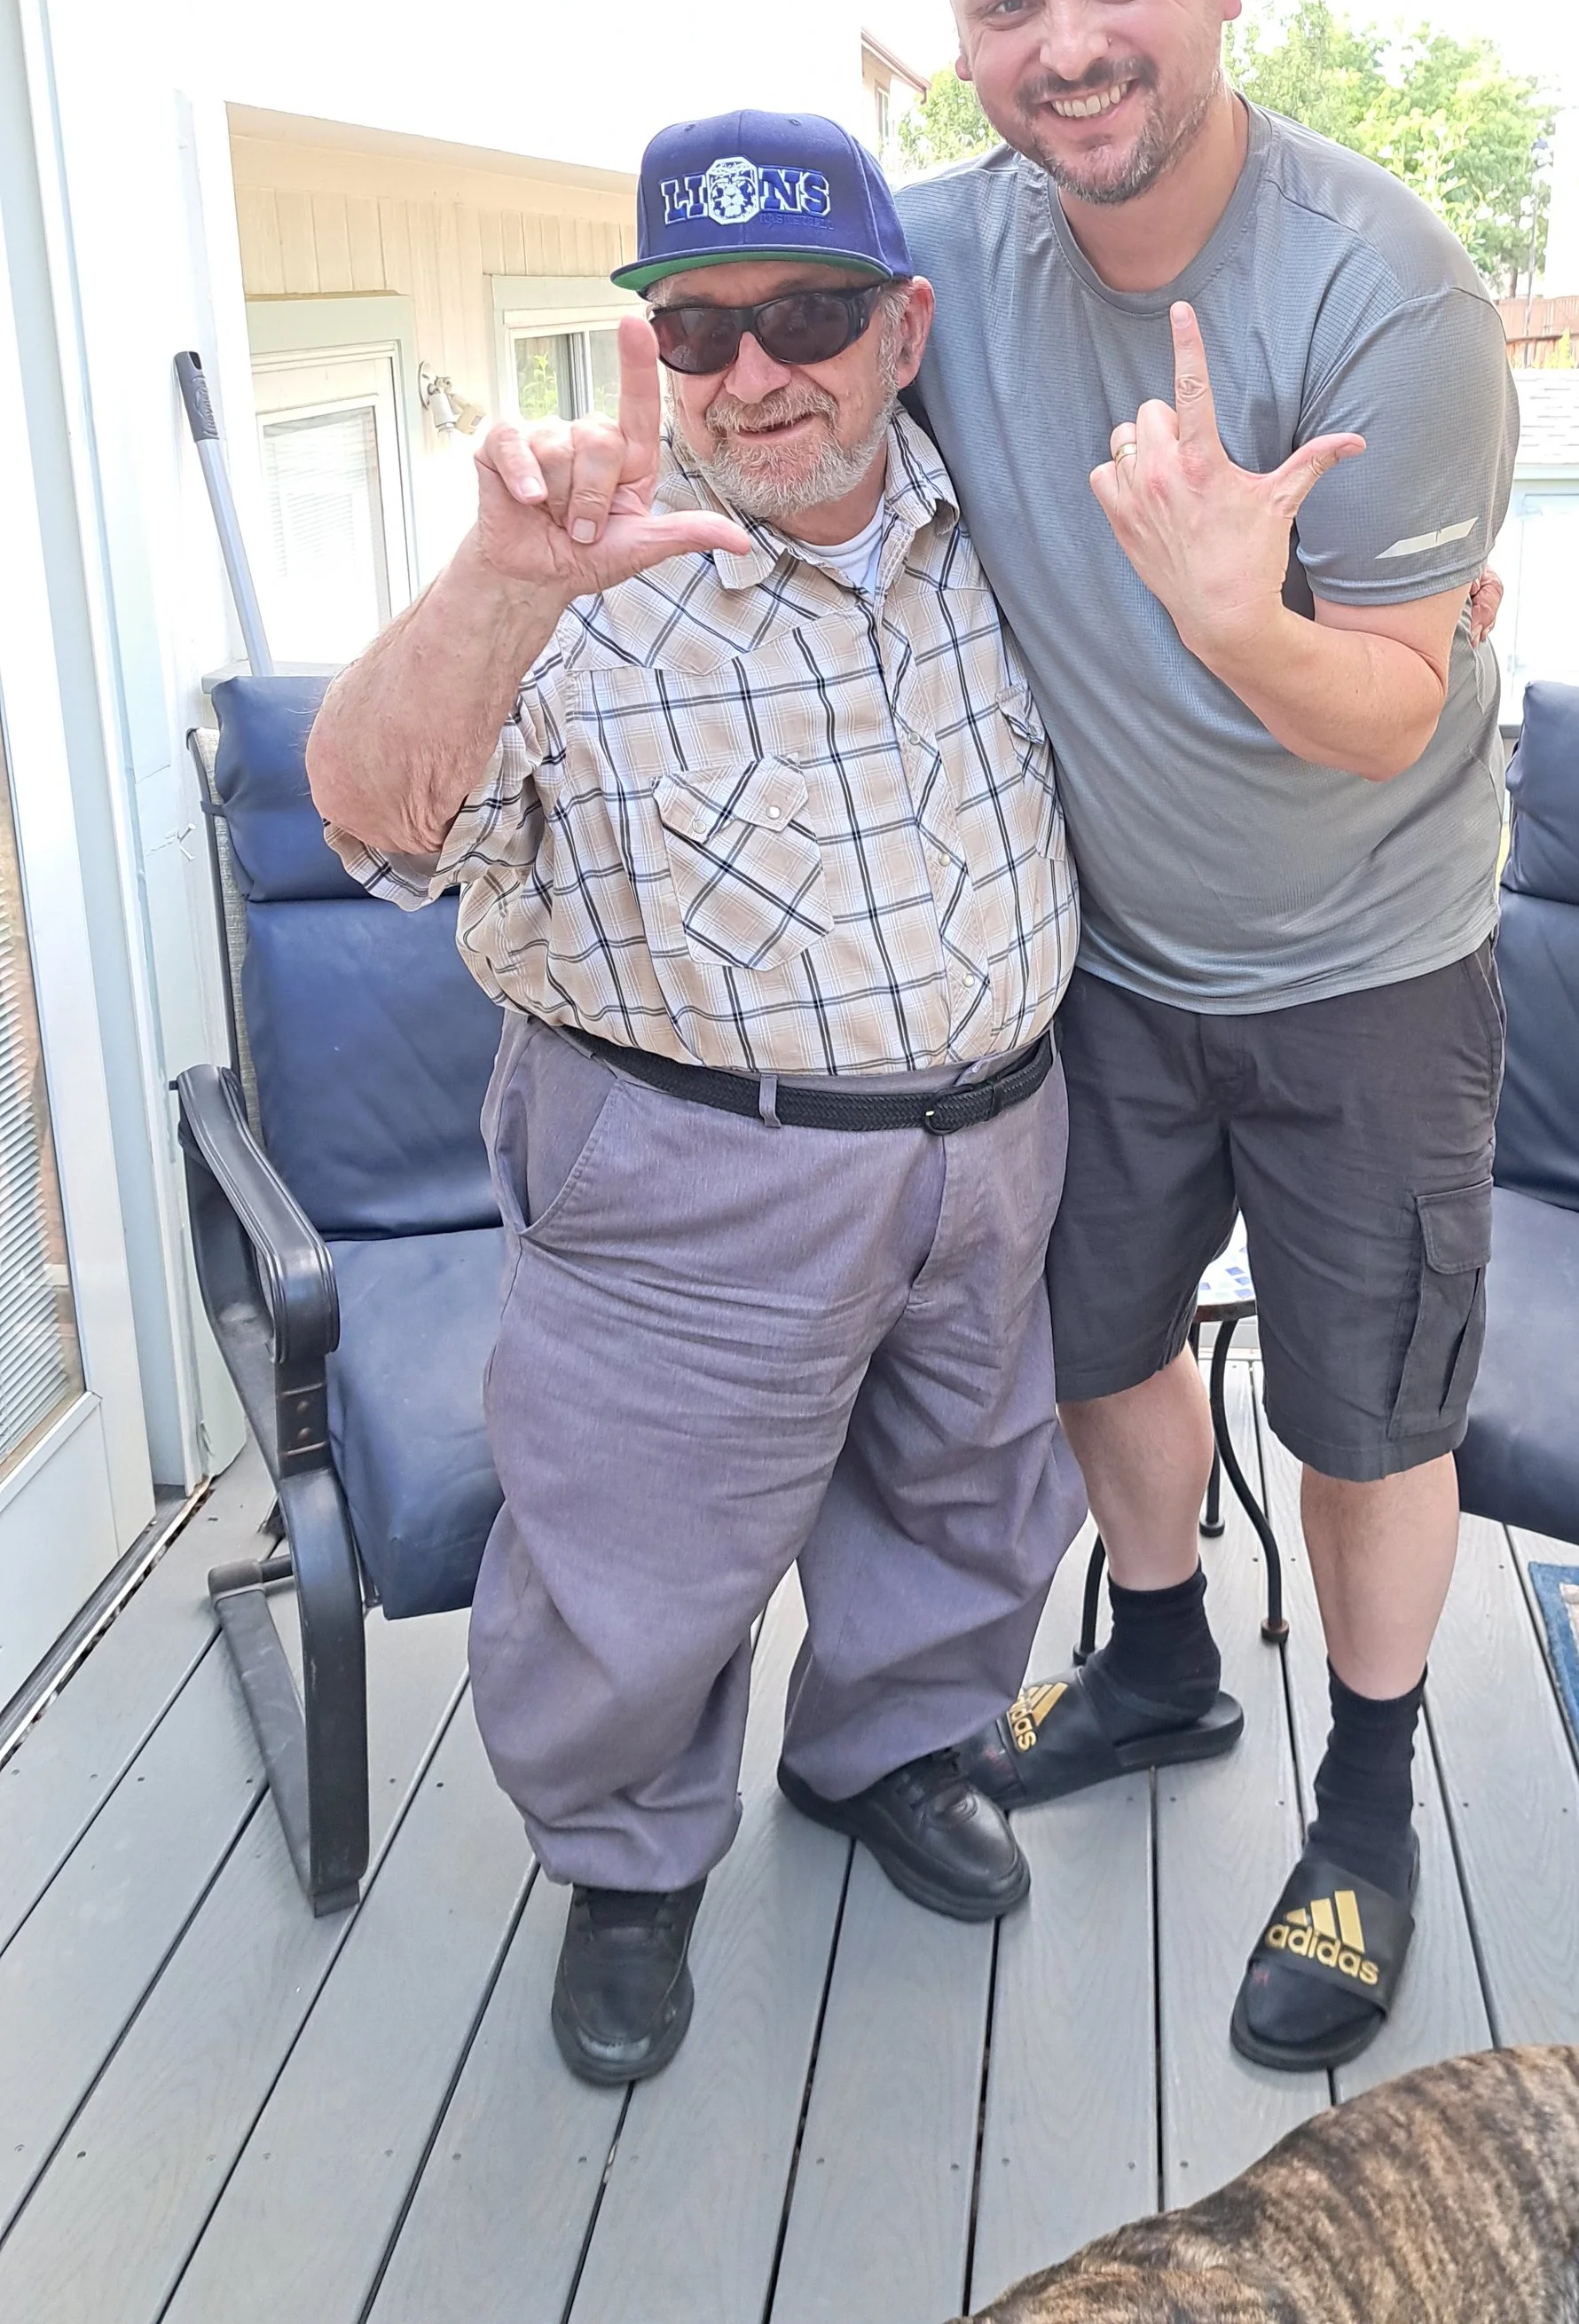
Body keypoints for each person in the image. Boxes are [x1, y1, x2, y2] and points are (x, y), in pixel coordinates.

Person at [304, 110, 1084, 2087]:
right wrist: (497, 586)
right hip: (682, 1158)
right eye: (700, 322)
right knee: (633, 1558)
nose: (754, 371)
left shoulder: (1010, 522)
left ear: (902, 326)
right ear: (650, 341)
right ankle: (628, 1865)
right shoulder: (570, 582)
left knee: (964, 1490)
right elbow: (373, 824)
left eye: (807, 312)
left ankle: (886, 1756)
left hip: (994, 1132)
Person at [901, 0, 1519, 2073]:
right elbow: (757, 367)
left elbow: (1377, 714)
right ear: (962, 37)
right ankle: (1157, 1652)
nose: (1069, 40)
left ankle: (1365, 1799)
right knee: (1095, 1335)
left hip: (1368, 962)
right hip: (1101, 959)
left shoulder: (1385, 291)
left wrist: (1226, 608)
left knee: (1366, 1412)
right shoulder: (941, 257)